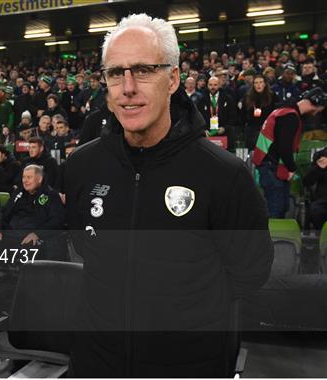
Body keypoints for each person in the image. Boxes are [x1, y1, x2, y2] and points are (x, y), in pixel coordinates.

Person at [65, 13, 273, 377]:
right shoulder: (82, 165)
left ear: (173, 78)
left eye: (144, 70)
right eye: (116, 73)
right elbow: (83, 245)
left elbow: (249, 271)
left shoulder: (225, 175)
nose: (128, 87)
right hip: (96, 363)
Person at [253, 87, 327, 218]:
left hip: (268, 164)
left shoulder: (282, 111)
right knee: (277, 209)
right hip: (272, 168)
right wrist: (292, 169)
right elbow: (284, 148)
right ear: (314, 103)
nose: (316, 113)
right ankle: (272, 239)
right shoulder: (290, 116)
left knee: (280, 206)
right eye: (318, 110)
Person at [241, 74, 278, 150]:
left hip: (267, 128)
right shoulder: (248, 97)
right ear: (253, 84)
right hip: (252, 128)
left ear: (264, 84)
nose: (258, 85)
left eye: (261, 82)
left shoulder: (272, 96)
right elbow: (243, 114)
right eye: (256, 83)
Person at [197, 76, 237, 144]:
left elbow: (233, 117)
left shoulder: (228, 99)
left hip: (224, 132)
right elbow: (198, 118)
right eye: (210, 85)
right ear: (207, 85)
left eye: (215, 85)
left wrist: (224, 128)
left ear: (219, 85)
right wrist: (203, 130)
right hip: (207, 133)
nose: (213, 87)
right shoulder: (201, 100)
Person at [303, 147, 327, 230]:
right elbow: (307, 181)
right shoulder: (321, 155)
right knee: (316, 210)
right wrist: (319, 167)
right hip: (323, 201)